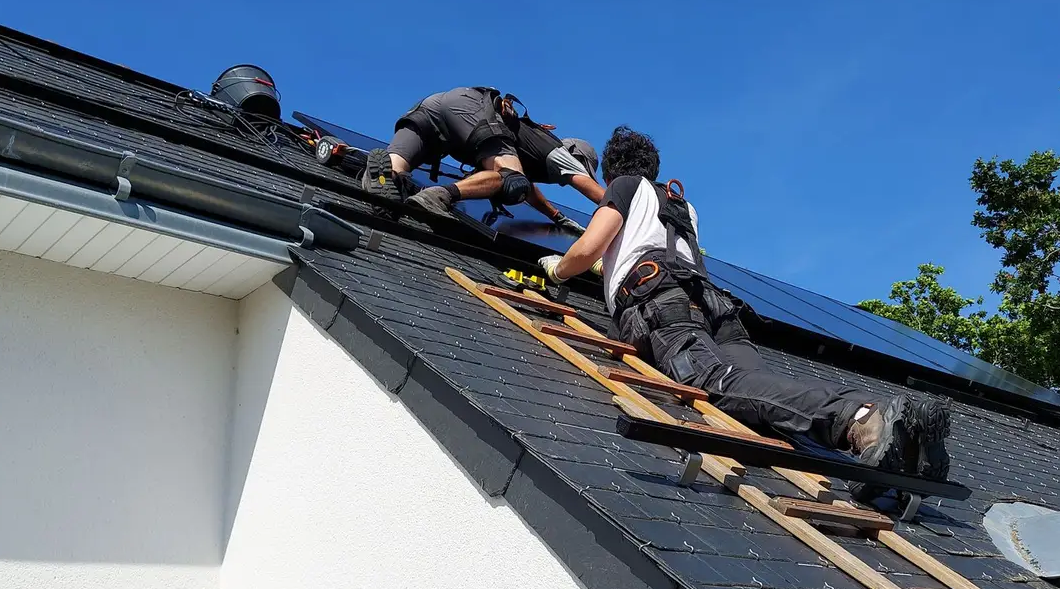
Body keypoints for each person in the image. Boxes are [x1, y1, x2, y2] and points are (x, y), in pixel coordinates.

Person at [536, 127, 951, 503]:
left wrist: (558, 267)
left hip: (661, 300)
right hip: (711, 305)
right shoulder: (680, 203)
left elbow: (590, 247)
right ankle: (901, 445)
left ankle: (864, 417)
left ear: (612, 173)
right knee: (757, 394)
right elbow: (657, 252)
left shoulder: (624, 187)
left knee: (714, 385)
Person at [361, 86, 604, 234]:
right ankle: (436, 197)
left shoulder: (528, 152)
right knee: (512, 181)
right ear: (577, 157)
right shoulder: (557, 150)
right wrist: (627, 212)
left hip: (434, 112)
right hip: (470, 110)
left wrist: (557, 217)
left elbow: (529, 188)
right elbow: (603, 197)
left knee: (395, 176)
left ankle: (385, 174)